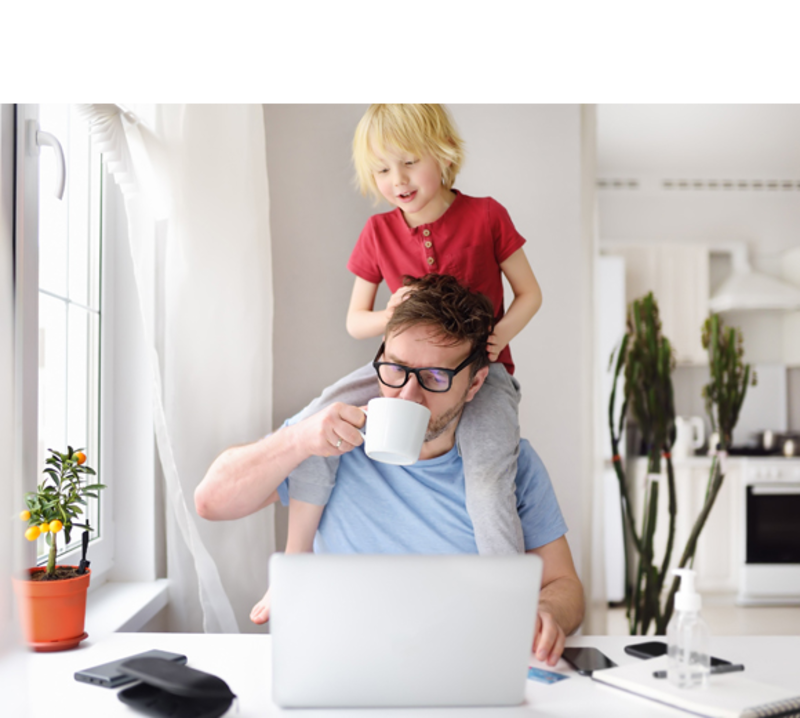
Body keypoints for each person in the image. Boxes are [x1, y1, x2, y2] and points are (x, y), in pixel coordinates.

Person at [196, 275, 583, 665]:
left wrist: (546, 612)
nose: (407, 395)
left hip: (460, 666)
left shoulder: (512, 465)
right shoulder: (329, 441)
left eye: (434, 377)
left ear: (474, 383)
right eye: (396, 370)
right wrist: (297, 439)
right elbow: (211, 501)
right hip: (340, 663)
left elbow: (563, 585)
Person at [282, 101, 543, 569]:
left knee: (487, 476)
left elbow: (530, 294)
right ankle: (293, 567)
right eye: (382, 169)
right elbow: (356, 321)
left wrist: (499, 339)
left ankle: (507, 593)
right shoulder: (377, 232)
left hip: (481, 372)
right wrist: (390, 315)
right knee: (316, 426)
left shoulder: (486, 216)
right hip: (397, 370)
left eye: (408, 162)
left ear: (443, 155)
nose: (397, 181)